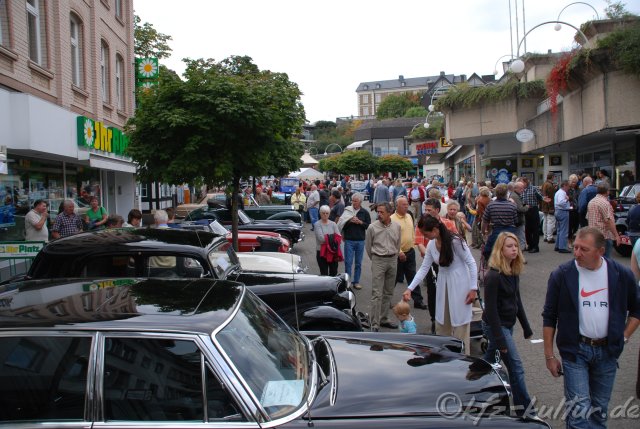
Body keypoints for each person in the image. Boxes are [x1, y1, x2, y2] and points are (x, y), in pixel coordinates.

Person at [543, 227, 640, 429]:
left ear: (601, 251)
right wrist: (549, 356)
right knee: (579, 413)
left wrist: (624, 336)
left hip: (608, 352)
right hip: (576, 351)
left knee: (598, 413)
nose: (577, 253)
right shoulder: (562, 275)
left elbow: (637, 310)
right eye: (575, 247)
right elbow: (549, 316)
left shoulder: (621, 275)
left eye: (584, 249)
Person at [403, 214, 478, 351]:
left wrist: (473, 288)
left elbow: (471, 263)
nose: (425, 238)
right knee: (442, 321)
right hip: (443, 283)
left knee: (460, 323)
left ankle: (463, 357)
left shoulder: (455, 241)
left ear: (435, 229)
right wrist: (410, 288)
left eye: (426, 234)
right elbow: (424, 268)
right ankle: (444, 356)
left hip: (460, 283)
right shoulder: (432, 244)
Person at [482, 232, 534, 416]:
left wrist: (526, 327)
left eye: (516, 246)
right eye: (509, 246)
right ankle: (525, 410)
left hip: (507, 325)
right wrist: (500, 339)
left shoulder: (513, 271)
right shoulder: (493, 276)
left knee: (488, 361)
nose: (514, 249)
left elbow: (516, 300)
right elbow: (491, 311)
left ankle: (475, 379)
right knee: (515, 367)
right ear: (500, 250)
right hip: (497, 326)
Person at [417, 198, 459, 333]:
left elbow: (456, 243)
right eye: (425, 210)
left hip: (448, 263)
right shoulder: (422, 224)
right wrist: (430, 255)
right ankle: (434, 319)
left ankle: (450, 318)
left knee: (449, 291)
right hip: (431, 263)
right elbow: (419, 243)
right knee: (432, 291)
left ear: (437, 210)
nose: (427, 212)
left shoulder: (448, 224)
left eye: (429, 210)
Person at [365, 202, 401, 331]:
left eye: (382, 212)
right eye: (378, 212)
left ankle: (384, 318)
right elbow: (368, 247)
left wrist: (394, 256)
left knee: (388, 292)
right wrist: (375, 259)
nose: (379, 214)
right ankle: (374, 323)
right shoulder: (372, 228)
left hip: (392, 260)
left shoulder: (397, 227)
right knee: (377, 293)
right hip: (378, 260)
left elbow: (398, 244)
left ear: (390, 213)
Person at [391, 196, 427, 310]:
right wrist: (399, 252)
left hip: (410, 252)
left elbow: (412, 231)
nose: (406, 206)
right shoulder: (392, 219)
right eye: (403, 205)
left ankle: (418, 300)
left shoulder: (409, 216)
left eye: (407, 204)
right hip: (398, 254)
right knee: (393, 278)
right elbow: (392, 238)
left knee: (412, 276)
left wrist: (413, 245)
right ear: (397, 206)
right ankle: (386, 300)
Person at [338, 193, 370, 290]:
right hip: (349, 240)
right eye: (353, 201)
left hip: (360, 240)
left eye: (356, 201)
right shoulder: (348, 210)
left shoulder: (365, 212)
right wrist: (349, 221)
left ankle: (356, 282)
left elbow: (368, 225)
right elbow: (341, 223)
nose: (354, 203)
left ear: (360, 202)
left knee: (358, 263)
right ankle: (347, 282)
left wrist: (360, 222)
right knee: (348, 262)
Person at [481, 184, 518, 260]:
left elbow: (485, 221)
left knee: (487, 251)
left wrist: (483, 232)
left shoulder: (491, 206)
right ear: (506, 193)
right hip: (510, 231)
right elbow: (515, 221)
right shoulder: (512, 206)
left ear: (496, 193)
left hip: (497, 231)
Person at [587, 182, 620, 258]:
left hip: (593, 234)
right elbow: (609, 221)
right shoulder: (605, 203)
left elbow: (588, 217)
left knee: (596, 258)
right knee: (606, 260)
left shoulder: (591, 202)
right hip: (604, 235)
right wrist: (616, 235)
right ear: (607, 191)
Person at [314, 205, 341, 276]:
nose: (325, 215)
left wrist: (328, 237)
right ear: (320, 213)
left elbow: (338, 238)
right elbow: (321, 239)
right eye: (323, 213)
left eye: (327, 213)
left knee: (334, 273)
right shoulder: (317, 224)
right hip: (321, 252)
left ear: (329, 214)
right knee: (324, 274)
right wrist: (332, 237)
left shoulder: (333, 224)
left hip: (333, 252)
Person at [521, 177, 543, 253]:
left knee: (535, 229)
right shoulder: (522, 189)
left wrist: (540, 203)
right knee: (527, 229)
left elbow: (540, 197)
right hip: (525, 210)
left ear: (526, 182)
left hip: (533, 209)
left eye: (522, 182)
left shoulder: (533, 188)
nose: (522, 184)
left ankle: (535, 246)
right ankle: (530, 245)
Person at [553, 180, 572, 253]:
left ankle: (558, 245)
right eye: (568, 186)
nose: (568, 188)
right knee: (564, 230)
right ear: (564, 186)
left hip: (558, 211)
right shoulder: (562, 193)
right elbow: (561, 202)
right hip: (562, 211)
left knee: (559, 230)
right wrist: (567, 200)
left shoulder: (558, 192)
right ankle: (562, 247)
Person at [541, 173, 557, 244]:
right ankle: (549, 237)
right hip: (549, 206)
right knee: (550, 222)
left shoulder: (544, 184)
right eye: (554, 177)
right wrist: (551, 207)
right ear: (552, 177)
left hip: (544, 205)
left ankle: (545, 236)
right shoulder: (550, 185)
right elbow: (551, 198)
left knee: (545, 221)